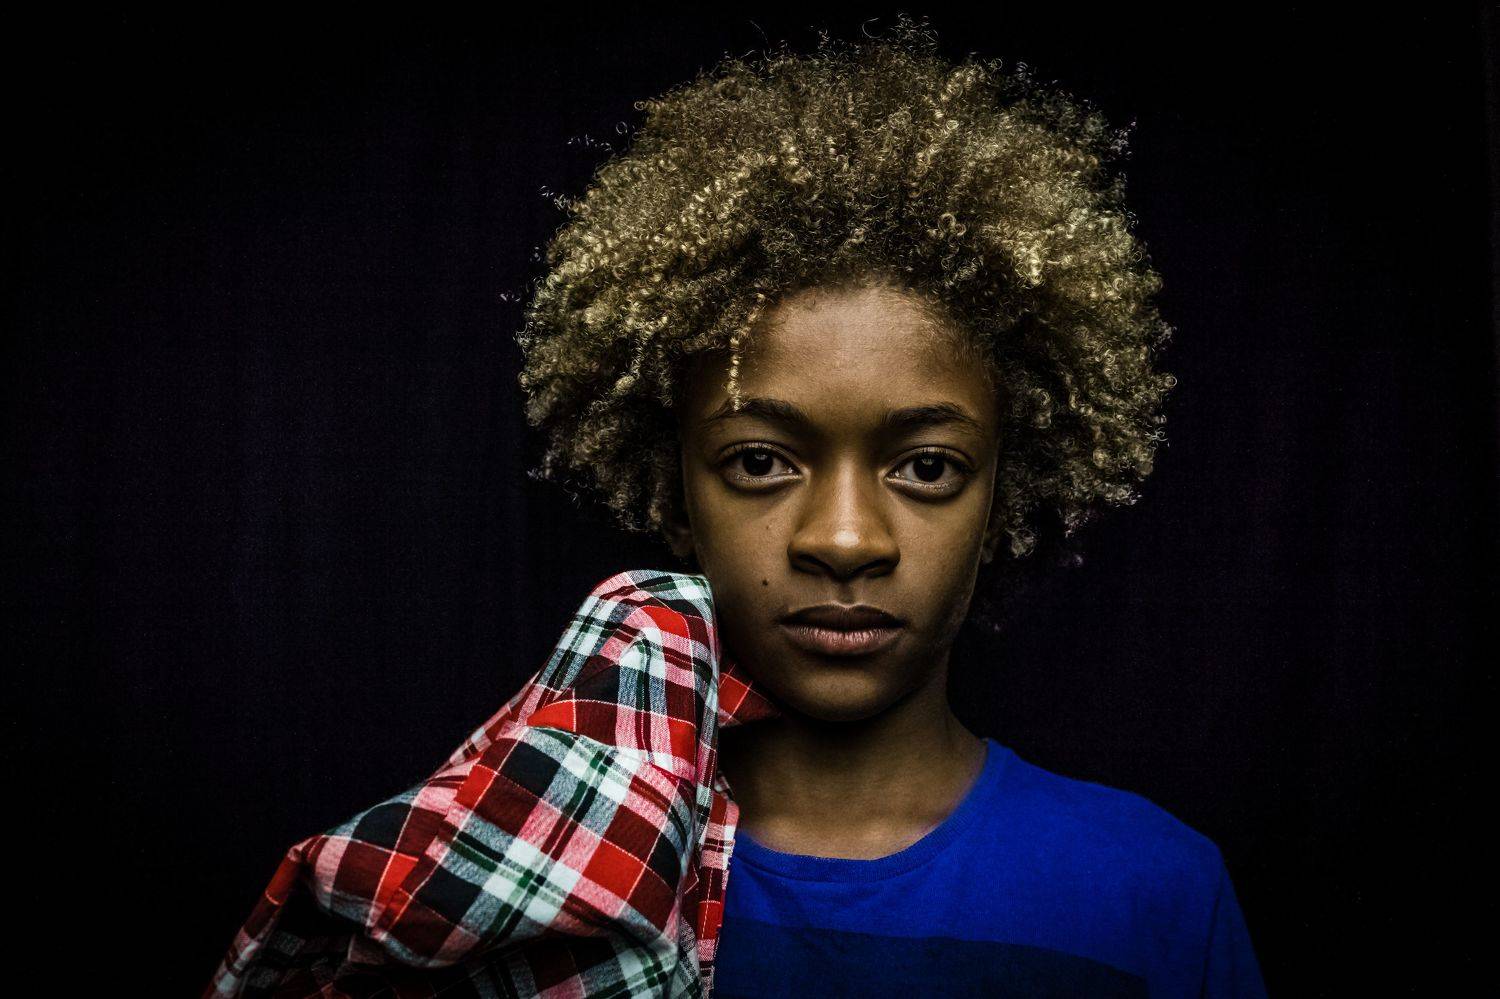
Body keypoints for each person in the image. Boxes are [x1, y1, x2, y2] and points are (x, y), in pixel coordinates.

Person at [204, 15, 1267, 997]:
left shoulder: (1150, 894)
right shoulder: (509, 891)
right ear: (677, 487)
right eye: (760, 460)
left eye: (928, 467)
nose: (844, 538)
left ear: (1005, 492)